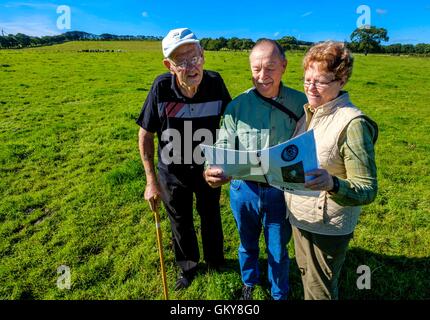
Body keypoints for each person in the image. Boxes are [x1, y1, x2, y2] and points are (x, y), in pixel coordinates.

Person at [204, 39, 307, 300]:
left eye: (270, 68)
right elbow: (223, 143)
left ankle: (279, 292)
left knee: (278, 246)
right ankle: (249, 282)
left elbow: (311, 143)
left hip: (280, 190)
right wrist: (212, 169)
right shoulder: (237, 106)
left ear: (283, 66)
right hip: (243, 190)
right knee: (247, 242)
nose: (263, 76)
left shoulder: (301, 103)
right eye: (256, 68)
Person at [136, 28, 232, 291]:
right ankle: (188, 268)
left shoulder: (215, 82)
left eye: (195, 57)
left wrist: (229, 162)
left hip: (207, 168)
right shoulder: (161, 88)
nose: (192, 67)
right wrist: (150, 181)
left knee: (210, 215)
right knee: (180, 221)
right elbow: (145, 134)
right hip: (172, 171)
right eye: (181, 61)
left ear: (203, 55)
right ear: (169, 65)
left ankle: (215, 262)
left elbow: (233, 125)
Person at [285, 41, 378, 300]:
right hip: (301, 218)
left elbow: (368, 190)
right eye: (307, 80)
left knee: (320, 292)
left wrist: (333, 184)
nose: (310, 88)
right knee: (308, 277)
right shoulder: (310, 113)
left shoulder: (353, 123)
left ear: (342, 80)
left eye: (321, 81)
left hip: (326, 226)